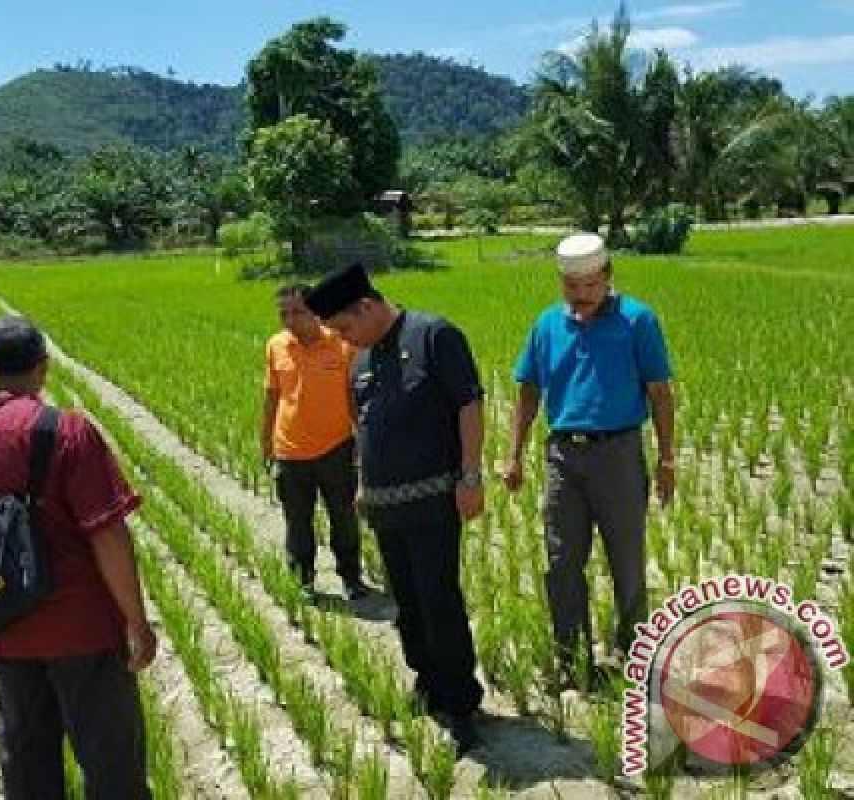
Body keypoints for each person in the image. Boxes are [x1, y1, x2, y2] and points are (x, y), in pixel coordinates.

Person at [0, 315, 156, 800]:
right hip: (85, 633)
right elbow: (108, 537)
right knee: (113, 767)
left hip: (1, 629)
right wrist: (136, 622)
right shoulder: (66, 432)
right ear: (43, 366)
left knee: (25, 766)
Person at [304, 264, 486, 753]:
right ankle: (426, 683)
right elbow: (362, 423)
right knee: (406, 603)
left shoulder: (434, 336)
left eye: (344, 327)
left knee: (438, 599)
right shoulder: (360, 358)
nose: (342, 339)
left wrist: (471, 476)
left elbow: (469, 404)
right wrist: (363, 482)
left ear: (366, 306)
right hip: (386, 505)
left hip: (433, 499)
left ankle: (460, 702)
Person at [502, 232, 675, 684]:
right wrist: (514, 455)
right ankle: (571, 656)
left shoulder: (638, 321)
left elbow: (659, 392)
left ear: (607, 276)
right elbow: (528, 390)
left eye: (590, 286)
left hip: (617, 453)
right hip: (563, 456)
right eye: (571, 287)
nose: (580, 296)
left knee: (627, 559)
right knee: (561, 560)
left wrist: (667, 458)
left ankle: (632, 651)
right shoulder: (546, 325)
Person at [262, 283, 371, 603]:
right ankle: (302, 580)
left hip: (336, 449)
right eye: (284, 314)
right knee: (298, 523)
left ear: (316, 312)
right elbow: (271, 397)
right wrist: (266, 444)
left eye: (298, 312)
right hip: (290, 452)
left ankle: (351, 578)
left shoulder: (341, 344)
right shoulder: (276, 346)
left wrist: (363, 447)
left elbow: (355, 401)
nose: (290, 320)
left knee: (344, 519)